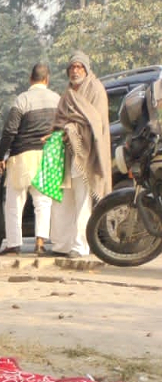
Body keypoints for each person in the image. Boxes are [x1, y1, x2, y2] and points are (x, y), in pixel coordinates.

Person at [49, 52, 111, 259]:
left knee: (83, 199)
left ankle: (81, 245)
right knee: (63, 200)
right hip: (65, 152)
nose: (75, 71)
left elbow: (96, 121)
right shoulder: (67, 94)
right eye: (72, 68)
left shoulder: (96, 89)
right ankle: (62, 244)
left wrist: (72, 128)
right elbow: (58, 120)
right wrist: (60, 130)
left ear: (86, 69)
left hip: (87, 152)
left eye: (79, 67)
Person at [0, 64, 60, 256]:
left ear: (30, 79)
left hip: (22, 156)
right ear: (47, 79)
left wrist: (0, 155)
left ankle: (14, 245)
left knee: (14, 202)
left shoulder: (22, 99)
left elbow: (10, 131)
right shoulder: (57, 99)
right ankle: (40, 242)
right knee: (43, 201)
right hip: (48, 155)